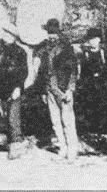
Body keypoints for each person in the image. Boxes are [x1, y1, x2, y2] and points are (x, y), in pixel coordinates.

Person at [38, 19, 79, 160]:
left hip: (63, 89)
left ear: (59, 34)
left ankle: (72, 149)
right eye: (49, 33)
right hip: (49, 89)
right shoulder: (44, 50)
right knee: (55, 121)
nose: (52, 36)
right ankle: (63, 147)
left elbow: (73, 71)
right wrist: (43, 91)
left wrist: (70, 89)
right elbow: (42, 73)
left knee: (67, 120)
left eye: (54, 33)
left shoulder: (67, 49)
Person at [0, 23, 29, 160]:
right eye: (5, 33)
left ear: (13, 36)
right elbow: (0, 72)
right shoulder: (4, 52)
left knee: (14, 118)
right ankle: (12, 143)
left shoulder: (20, 52)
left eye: (8, 34)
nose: (5, 36)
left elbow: (24, 72)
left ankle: (17, 146)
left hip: (14, 89)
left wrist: (18, 88)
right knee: (6, 118)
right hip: (3, 89)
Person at [75, 28, 107, 134]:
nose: (93, 42)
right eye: (90, 40)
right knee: (91, 108)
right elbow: (82, 71)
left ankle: (105, 130)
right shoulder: (85, 54)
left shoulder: (106, 52)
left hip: (104, 85)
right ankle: (92, 131)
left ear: (99, 39)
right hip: (90, 85)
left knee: (105, 108)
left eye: (95, 39)